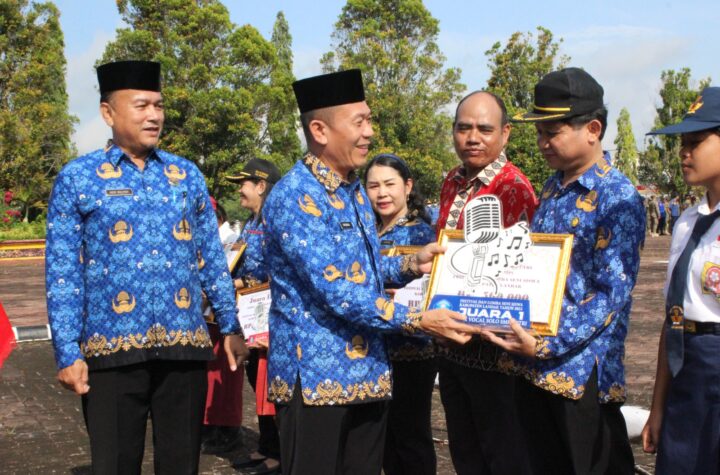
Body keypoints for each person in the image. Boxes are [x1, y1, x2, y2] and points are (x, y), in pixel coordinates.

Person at [262, 69, 480, 475]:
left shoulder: (353, 190)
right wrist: (416, 319)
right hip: (316, 381)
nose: (369, 132)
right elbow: (334, 287)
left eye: (369, 120)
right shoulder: (294, 196)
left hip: (368, 373)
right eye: (359, 122)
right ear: (319, 130)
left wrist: (410, 264)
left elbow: (360, 269)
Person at [45, 60, 249, 474]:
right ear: (108, 112)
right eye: (141, 106)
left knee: (181, 465)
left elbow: (211, 257)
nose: (154, 115)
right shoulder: (78, 179)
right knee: (115, 465)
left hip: (183, 348)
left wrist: (230, 326)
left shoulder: (185, 175)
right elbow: (63, 272)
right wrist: (67, 351)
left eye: (158, 105)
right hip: (110, 352)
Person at [485, 67, 645, 474]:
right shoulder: (554, 187)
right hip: (532, 363)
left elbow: (610, 294)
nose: (542, 143)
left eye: (552, 133)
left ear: (593, 129)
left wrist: (546, 344)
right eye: (539, 133)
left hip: (581, 373)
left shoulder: (617, 196)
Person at [435, 90, 538, 475]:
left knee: (503, 455)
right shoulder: (452, 181)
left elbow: (516, 276)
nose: (472, 138)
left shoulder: (514, 187)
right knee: (466, 453)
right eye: (464, 128)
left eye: (484, 129)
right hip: (452, 345)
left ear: (505, 133)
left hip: (495, 353)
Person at [642, 87, 720, 474]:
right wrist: (658, 407)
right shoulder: (688, 222)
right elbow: (673, 316)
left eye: (695, 142)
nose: (684, 153)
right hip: (685, 369)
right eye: (682, 144)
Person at [364, 153, 437, 475]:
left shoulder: (421, 234)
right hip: (374, 351)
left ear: (407, 186)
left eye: (389, 184)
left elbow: (432, 290)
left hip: (412, 351)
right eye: (373, 186)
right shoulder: (368, 233)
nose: (382, 193)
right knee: (385, 441)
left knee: (411, 437)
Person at [225, 158, 282, 475]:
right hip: (250, 314)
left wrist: (241, 283)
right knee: (255, 379)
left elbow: (276, 270)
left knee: (270, 384)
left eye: (243, 184)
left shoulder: (275, 220)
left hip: (269, 313)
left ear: (261, 186)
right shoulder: (250, 222)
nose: (239, 191)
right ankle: (266, 445)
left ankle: (279, 451)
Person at [202, 201, 245, 455]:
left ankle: (228, 428)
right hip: (207, 316)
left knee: (226, 374)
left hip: (225, 317)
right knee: (212, 373)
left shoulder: (232, 240)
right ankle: (212, 425)